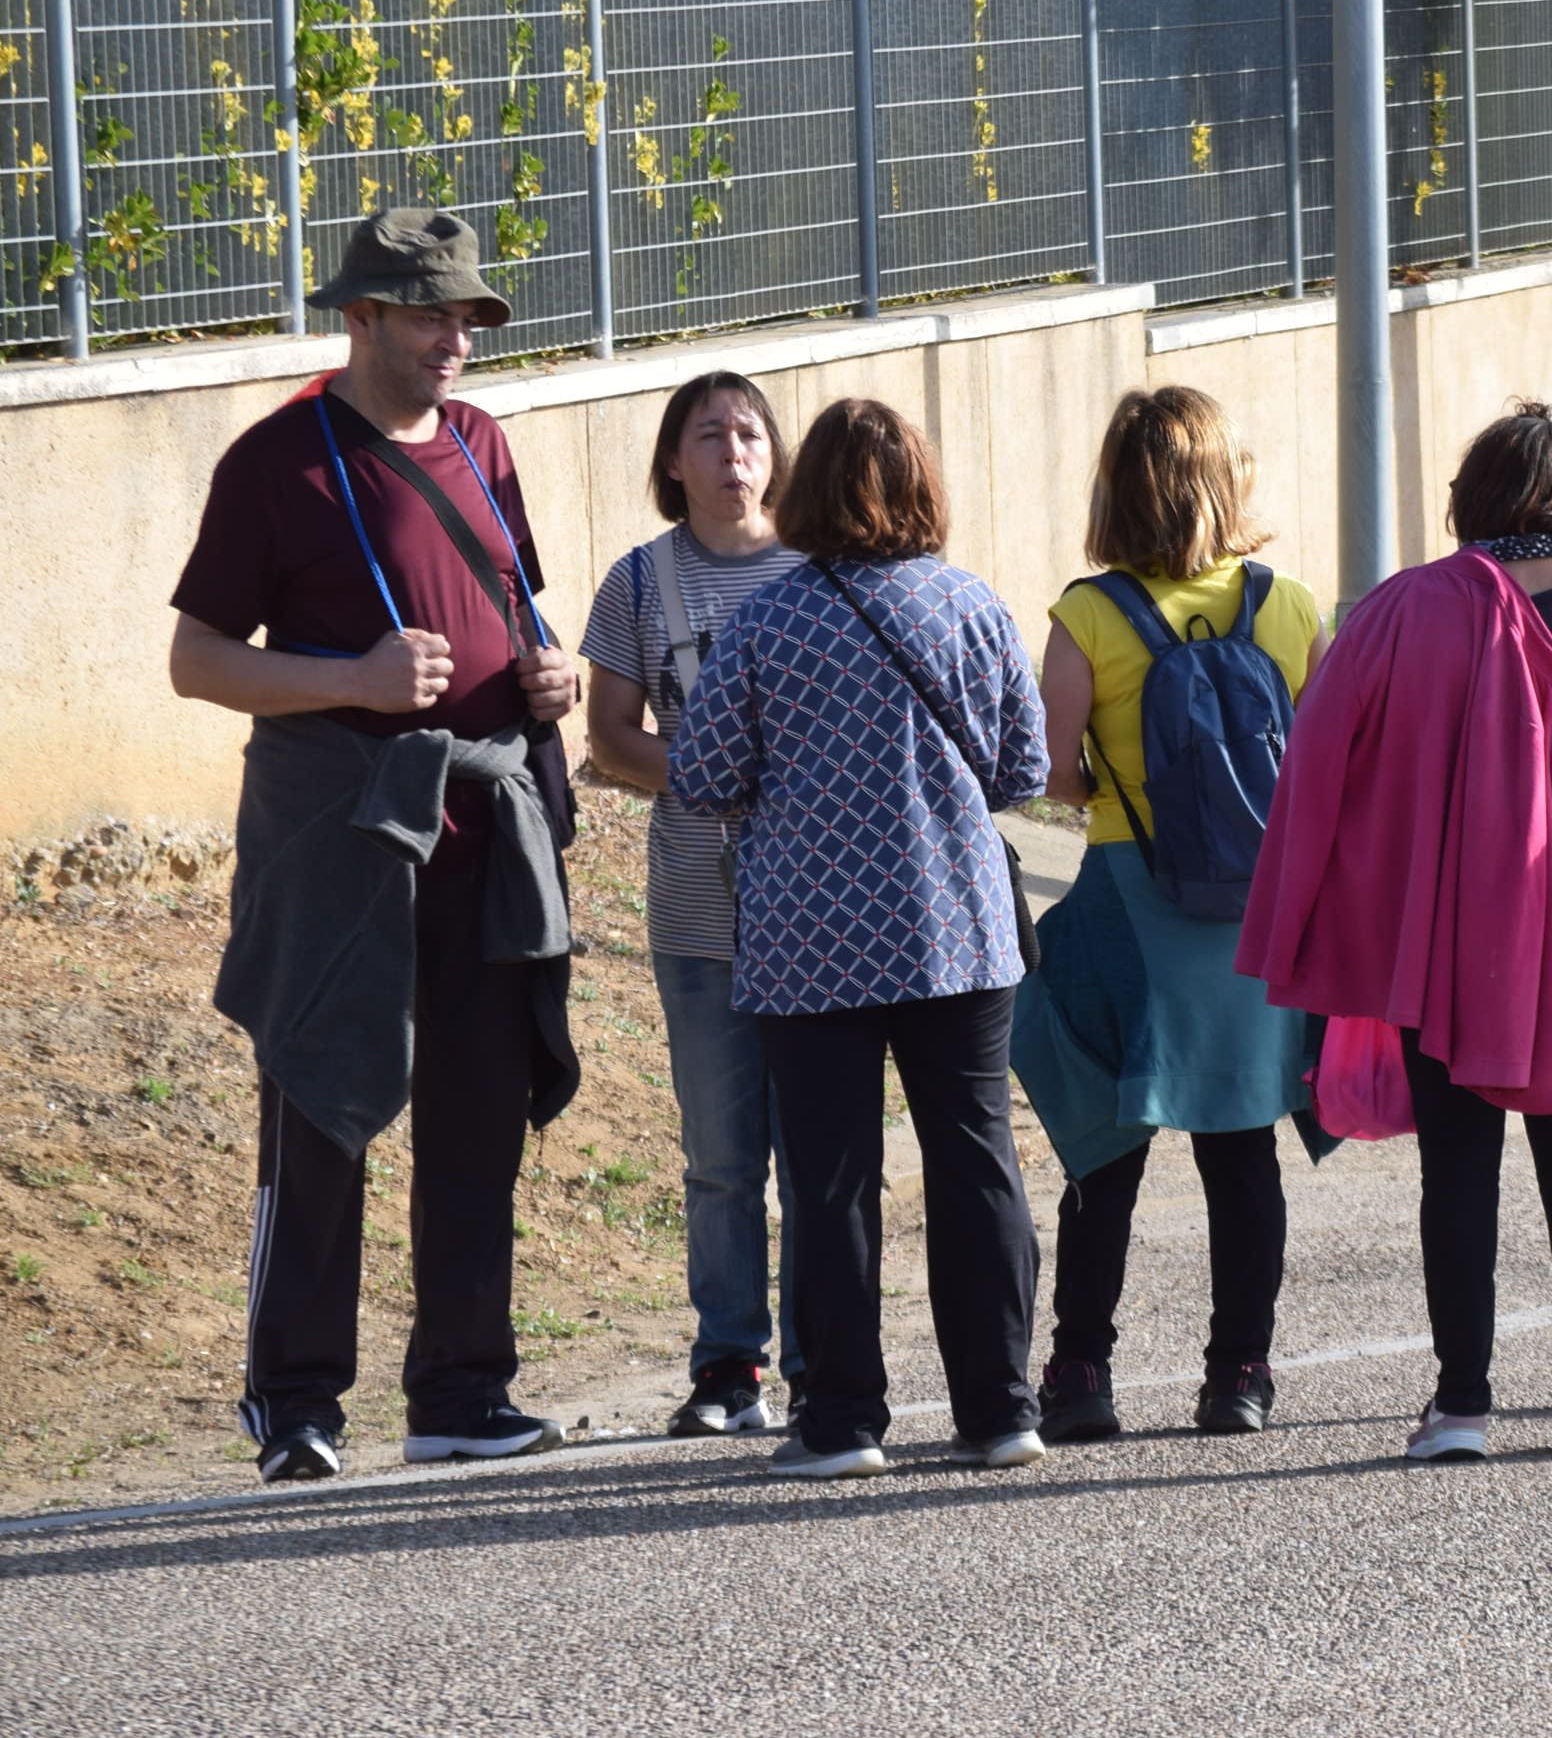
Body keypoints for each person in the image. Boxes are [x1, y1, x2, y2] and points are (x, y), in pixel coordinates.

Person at [167, 207, 582, 1484]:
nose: (456, 337)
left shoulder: (484, 442)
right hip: (342, 842)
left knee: (478, 1114)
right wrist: (348, 671)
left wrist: (549, 676)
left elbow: (514, 599)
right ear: (360, 317)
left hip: (481, 834)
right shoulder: (274, 464)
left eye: (467, 315)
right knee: (321, 1110)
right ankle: (295, 1403)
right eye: (430, 313)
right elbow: (196, 662)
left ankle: (462, 1388)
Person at [1238, 402, 1552, 1462]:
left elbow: (1320, 759)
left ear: (1464, 505)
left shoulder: (1404, 609)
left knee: (1459, 1164)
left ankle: (1463, 1405)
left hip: (1443, 927)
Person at [668, 397, 1050, 1480]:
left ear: (806, 489)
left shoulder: (767, 621)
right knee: (975, 1157)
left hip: (807, 938)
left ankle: (842, 1418)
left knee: (830, 1177)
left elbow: (700, 775)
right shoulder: (971, 605)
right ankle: (999, 1406)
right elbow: (1023, 769)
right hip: (957, 929)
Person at [1011, 386, 1328, 1442]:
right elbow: (1320, 764)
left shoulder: (1086, 615)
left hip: (1130, 898)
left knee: (1106, 1154)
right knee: (1243, 1154)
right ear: (1223, 477)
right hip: (1253, 909)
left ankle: (1080, 1368)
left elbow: (1054, 770)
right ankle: (1237, 1367)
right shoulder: (1288, 606)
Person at [579, 371, 806, 1438]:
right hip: (697, 914)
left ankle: (824, 1356)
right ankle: (729, 1364)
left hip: (821, 919)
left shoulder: (822, 569)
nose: (732, 451)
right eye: (707, 433)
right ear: (674, 460)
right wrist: (704, 773)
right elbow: (608, 735)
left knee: (817, 1152)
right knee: (722, 1154)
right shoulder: (638, 581)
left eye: (749, 432)